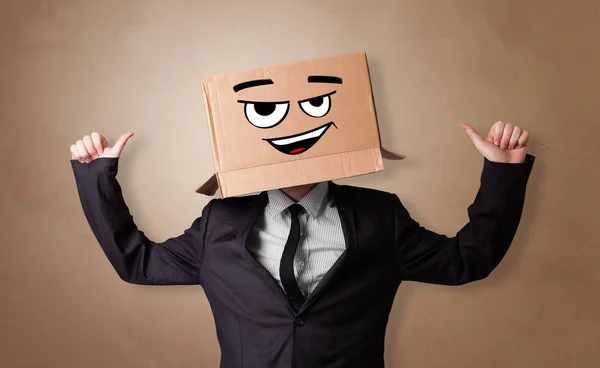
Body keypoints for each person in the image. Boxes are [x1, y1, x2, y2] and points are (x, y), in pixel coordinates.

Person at [69, 121, 534, 368]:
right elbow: (140, 264)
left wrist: (504, 172)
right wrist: (97, 177)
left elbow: (464, 260)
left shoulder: (380, 215)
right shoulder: (220, 221)